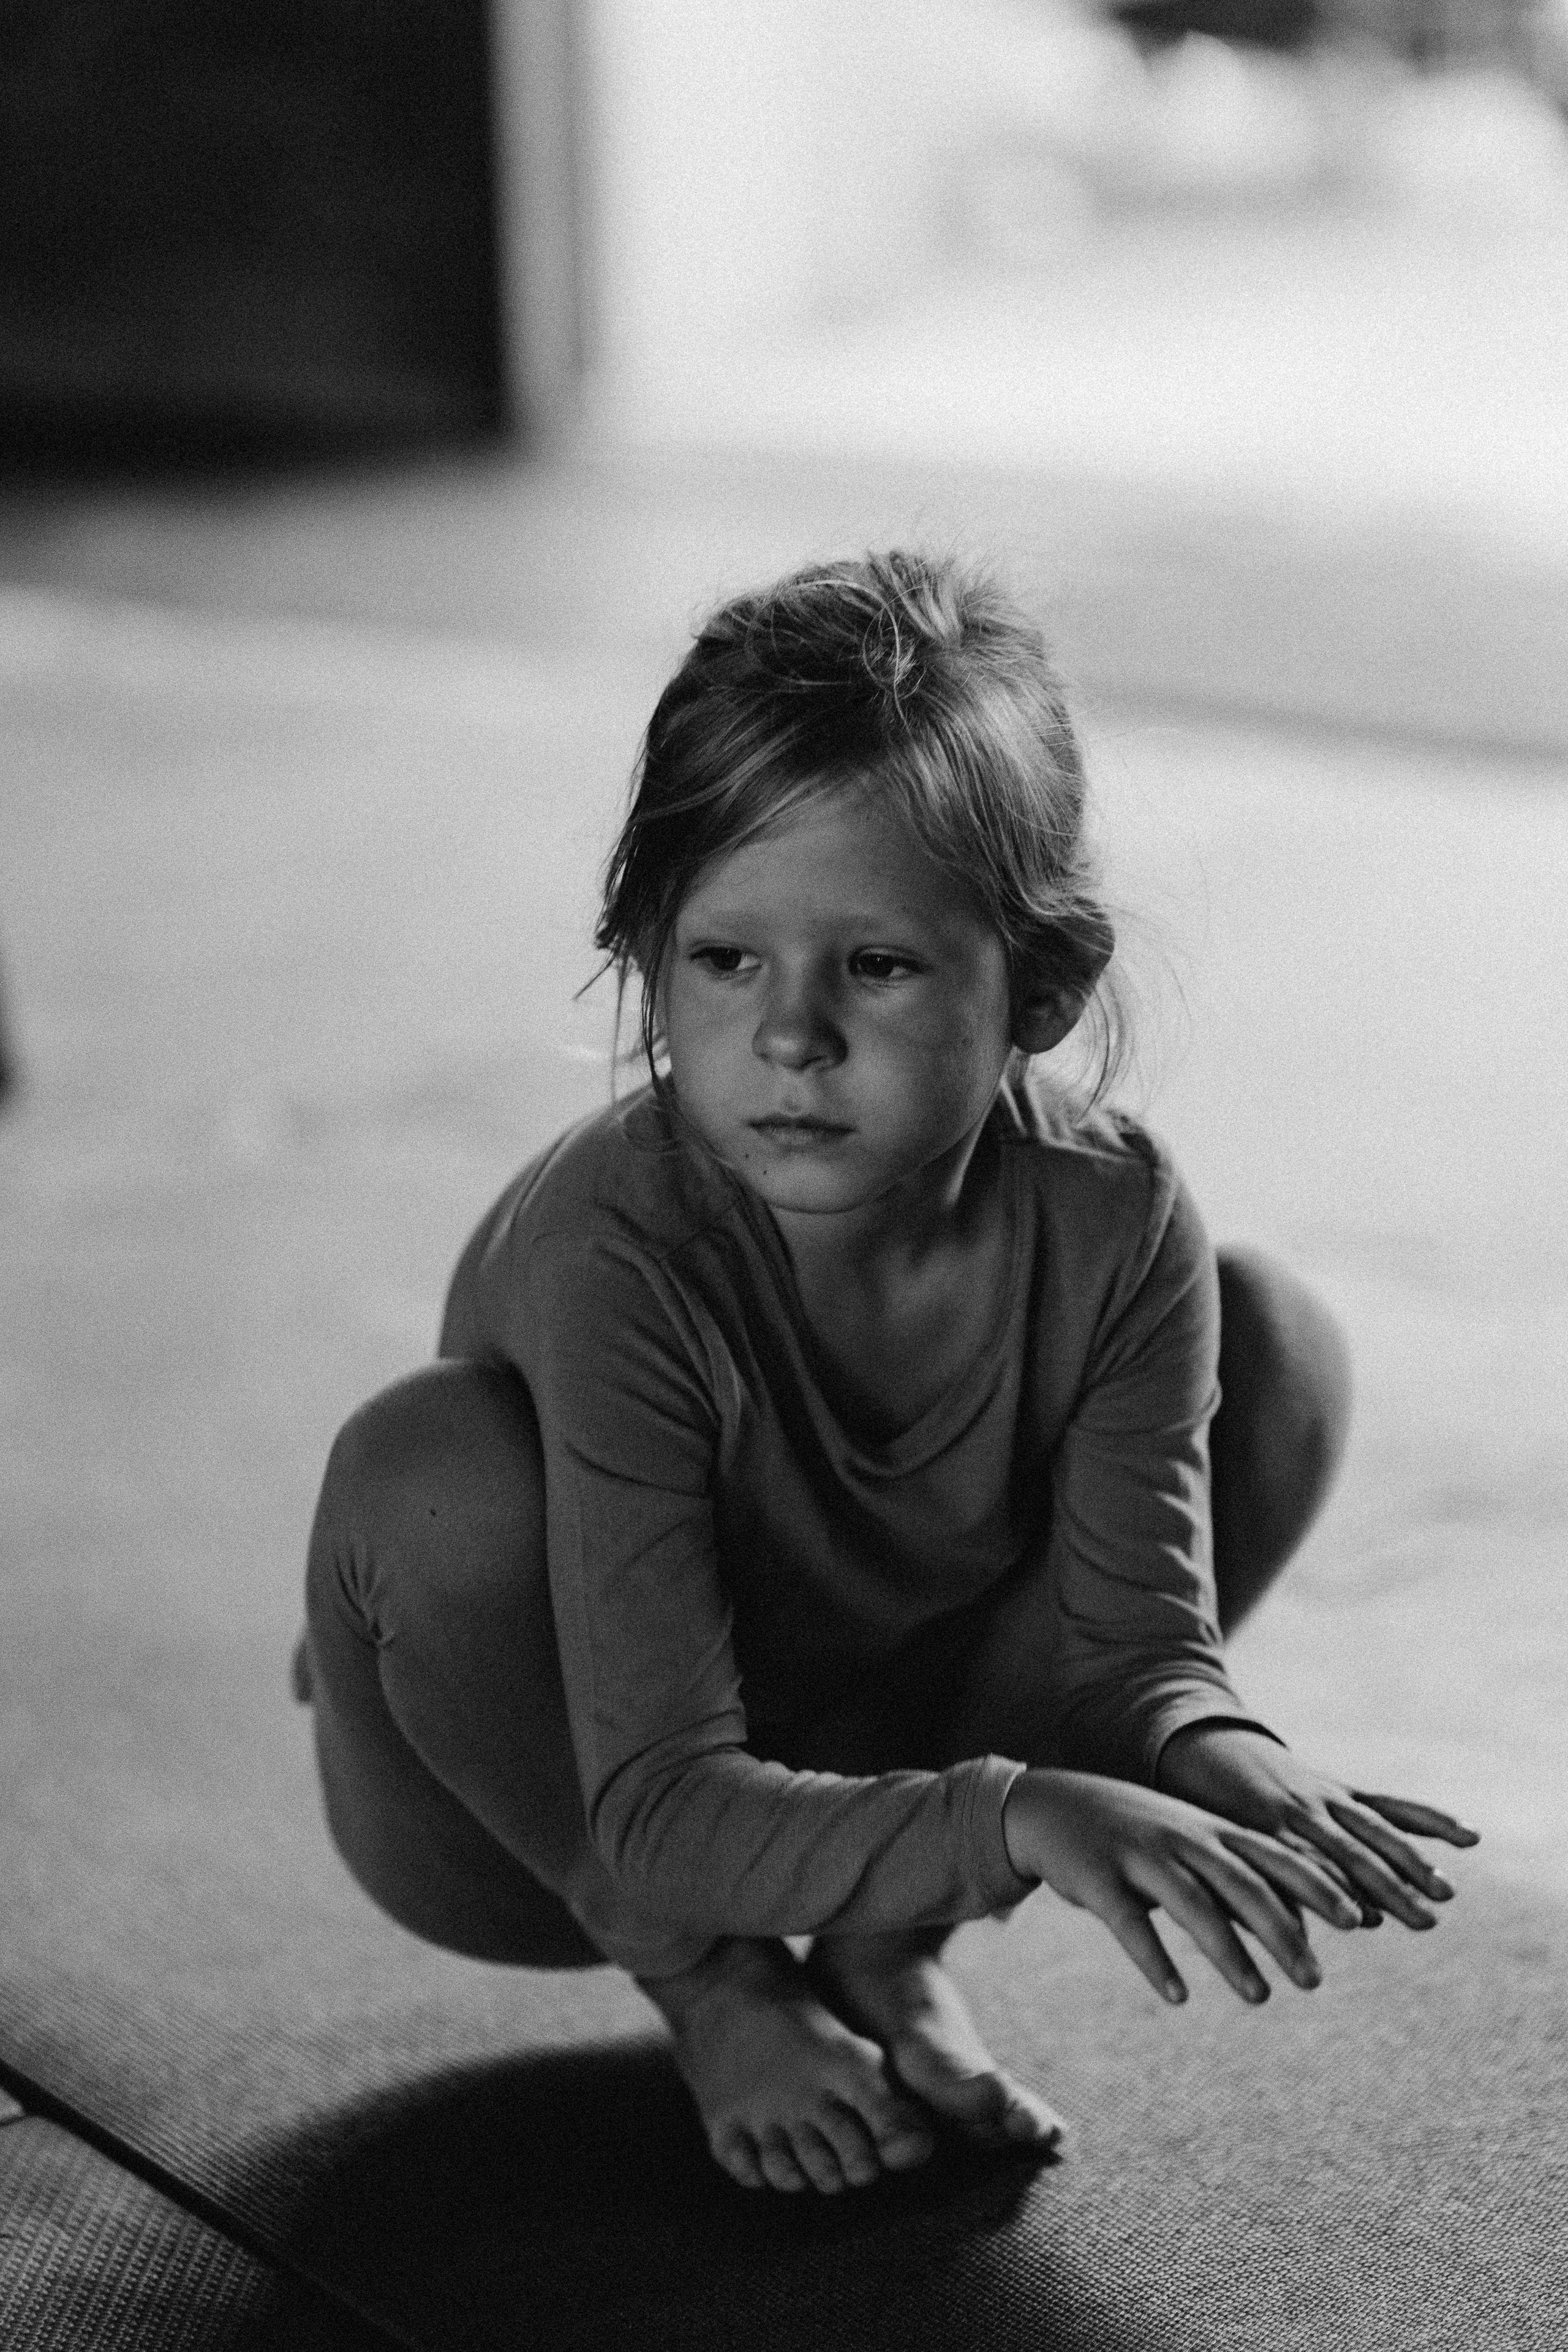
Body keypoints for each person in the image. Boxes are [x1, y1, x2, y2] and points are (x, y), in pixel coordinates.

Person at [295, 551, 1477, 2197]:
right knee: (421, 1470)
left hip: (865, 1746)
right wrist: (1012, 1816)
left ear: (1040, 994)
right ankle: (715, 1995)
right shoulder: (617, 1251)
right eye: (725, 961)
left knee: (1277, 1345)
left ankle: (881, 1951)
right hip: (549, 1809)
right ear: (649, 958)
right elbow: (655, 1810)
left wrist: (1228, 1751)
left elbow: (1134, 1657)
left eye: (879, 965)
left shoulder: (1114, 1218)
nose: (790, 1036)